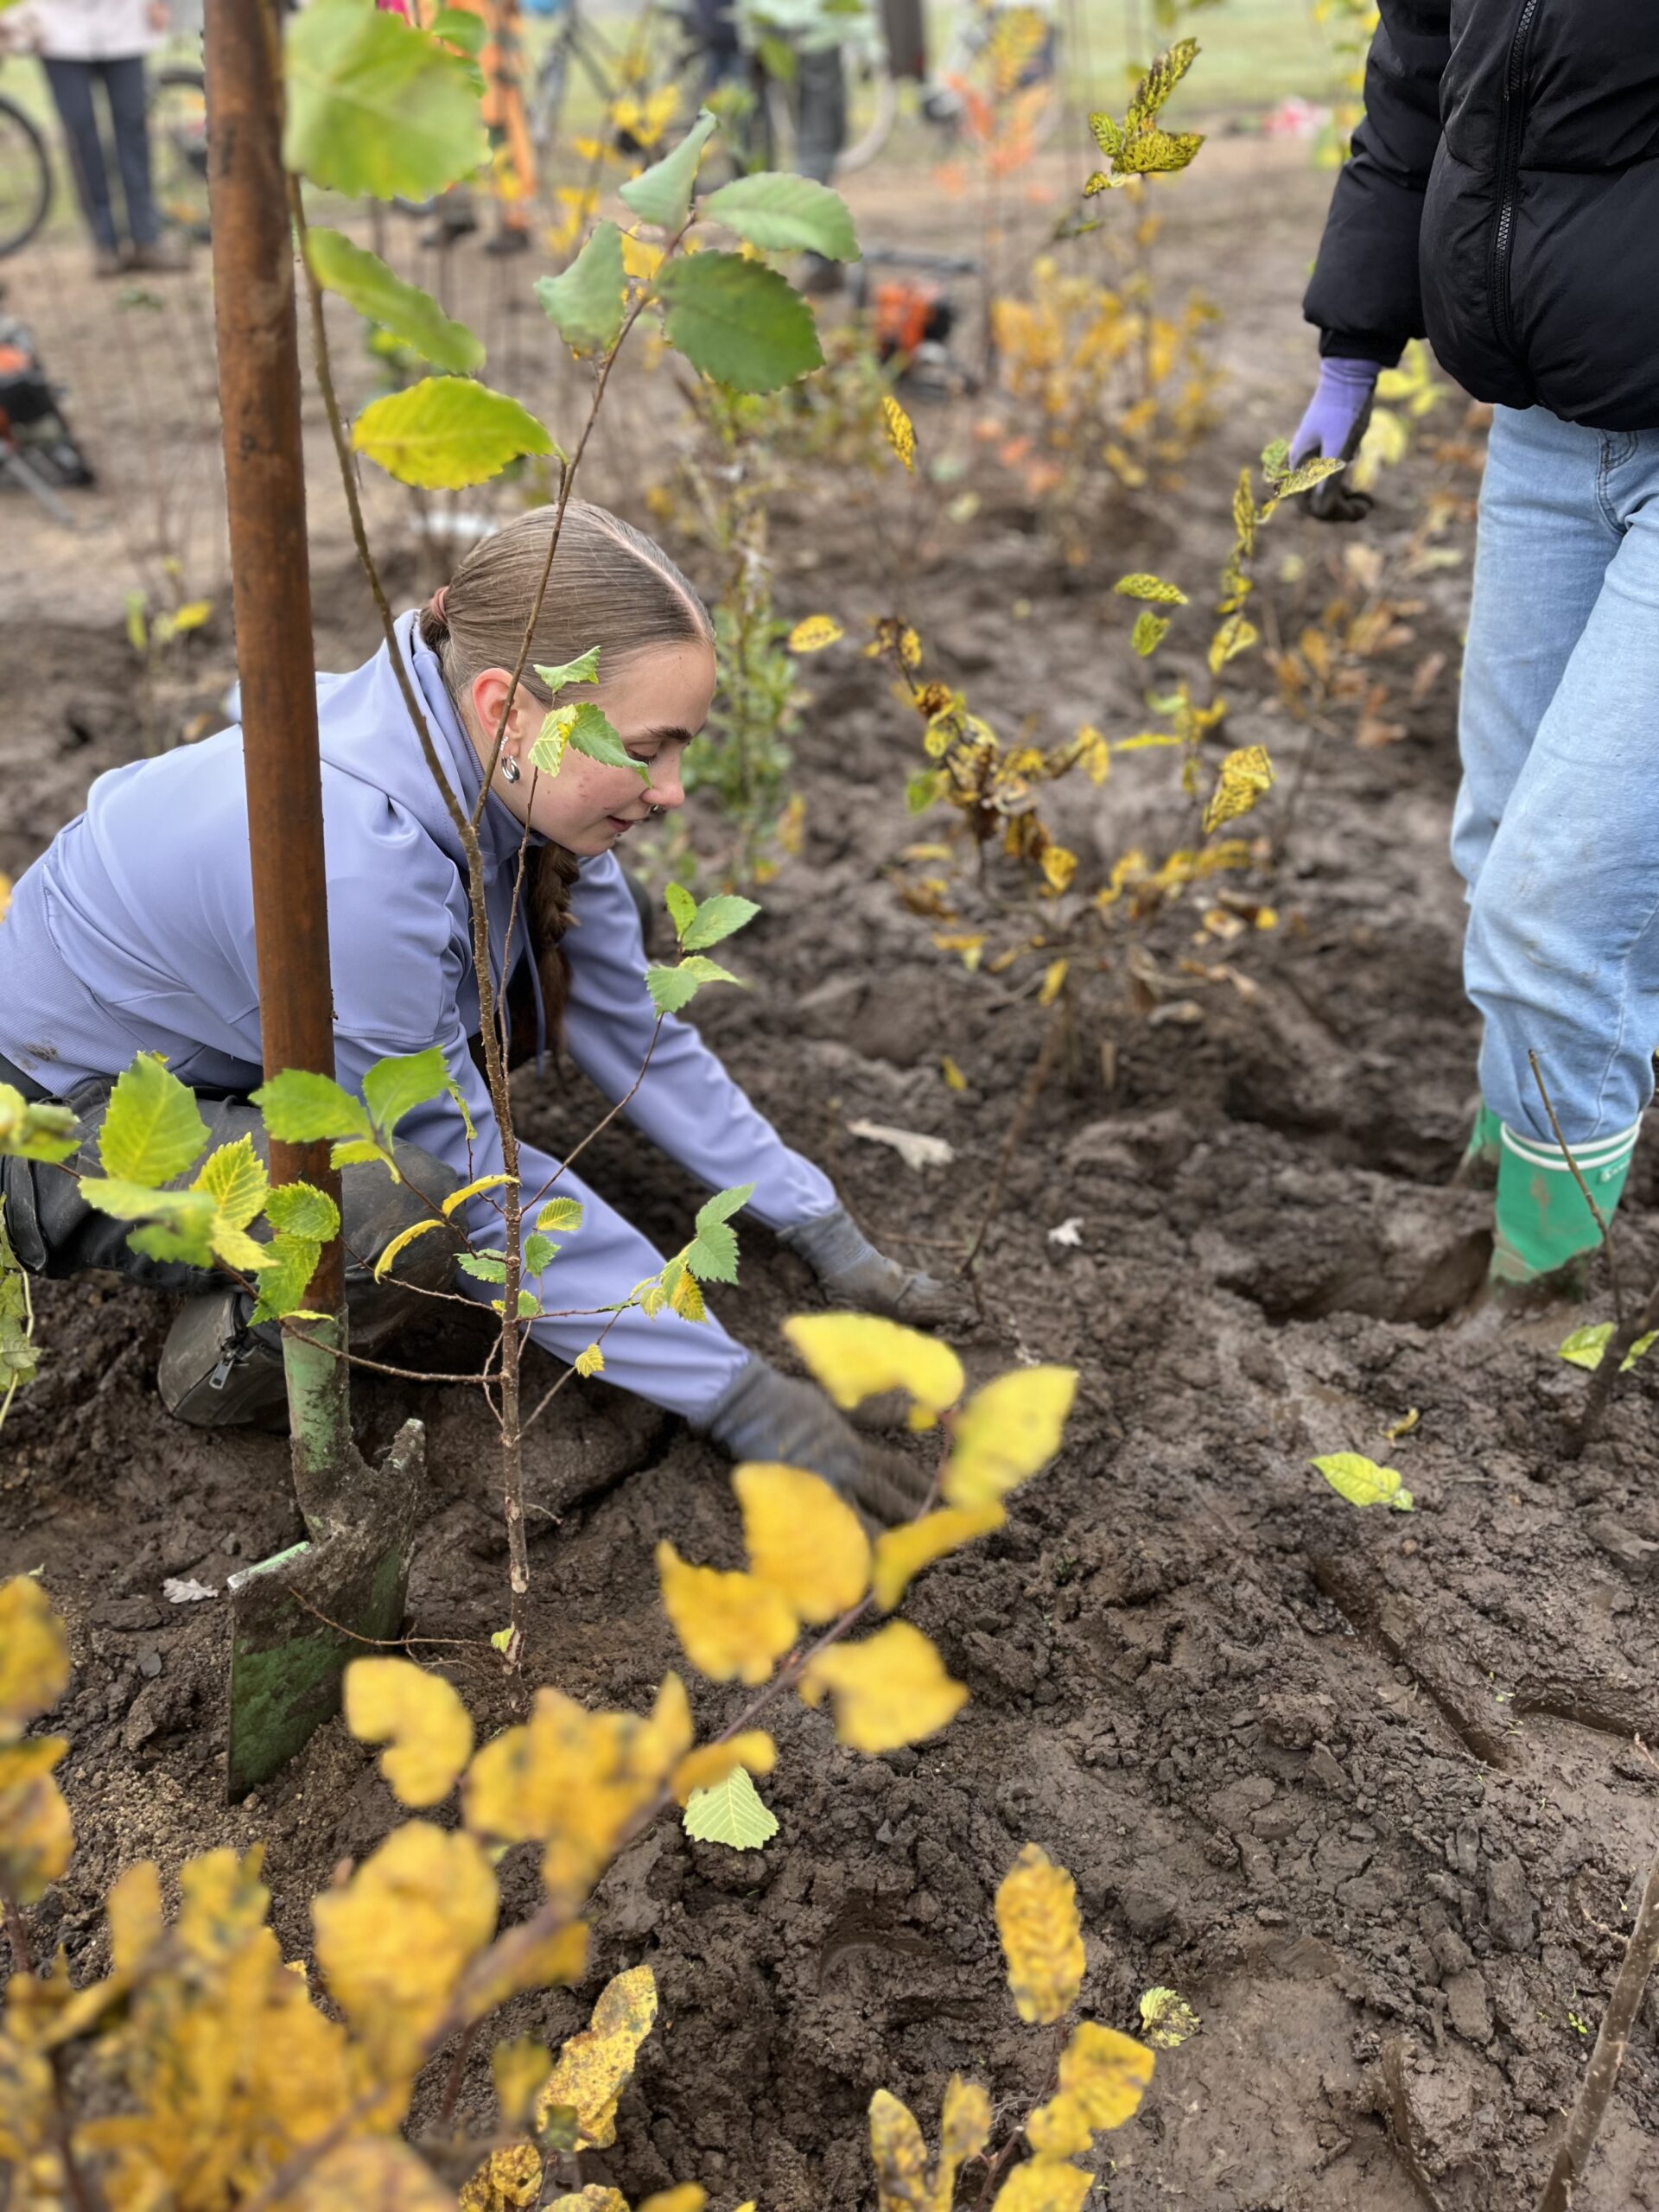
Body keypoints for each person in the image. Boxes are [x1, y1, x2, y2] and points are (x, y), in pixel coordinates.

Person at [0, 502, 949, 1517]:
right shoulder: (354, 859)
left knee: (463, 1085)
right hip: (65, 1112)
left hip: (220, 1054)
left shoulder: (506, 779)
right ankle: (222, 1368)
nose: (672, 789)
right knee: (391, 1209)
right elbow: (469, 1170)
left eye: (684, 750)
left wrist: (820, 1223)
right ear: (505, 704)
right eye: (648, 747)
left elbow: (637, 1034)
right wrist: (736, 1393)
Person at [1289, 0, 1656, 1296]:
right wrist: (1353, 347)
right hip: (1547, 429)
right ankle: (1535, 1152)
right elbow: (1418, 80)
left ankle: (1549, 1284)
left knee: (1556, 908)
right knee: (1500, 841)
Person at [9, 0, 182, 277]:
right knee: (81, 137)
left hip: (126, 25)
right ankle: (104, 244)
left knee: (134, 131)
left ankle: (147, 238)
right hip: (58, 32)